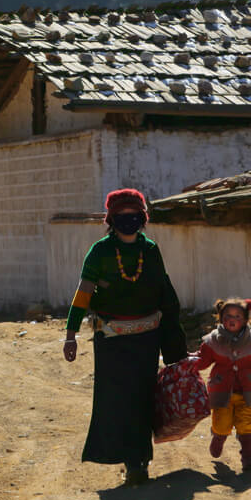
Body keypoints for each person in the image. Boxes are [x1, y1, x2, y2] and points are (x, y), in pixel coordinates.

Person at [63, 188, 187, 485]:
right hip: (111, 342)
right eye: (121, 217)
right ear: (111, 219)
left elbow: (166, 297)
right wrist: (71, 334)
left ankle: (138, 463)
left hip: (146, 340)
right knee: (116, 400)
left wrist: (176, 346)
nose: (128, 221)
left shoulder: (151, 251)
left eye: (134, 216)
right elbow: (82, 296)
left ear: (142, 219)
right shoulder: (100, 252)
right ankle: (125, 456)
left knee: (142, 398)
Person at [193, 298, 251, 473]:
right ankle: (218, 436)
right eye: (228, 316)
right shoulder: (212, 341)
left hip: (248, 392)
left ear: (246, 320)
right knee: (222, 424)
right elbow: (202, 361)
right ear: (221, 318)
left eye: (238, 316)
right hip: (221, 390)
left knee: (246, 425)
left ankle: (248, 459)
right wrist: (187, 361)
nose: (232, 319)